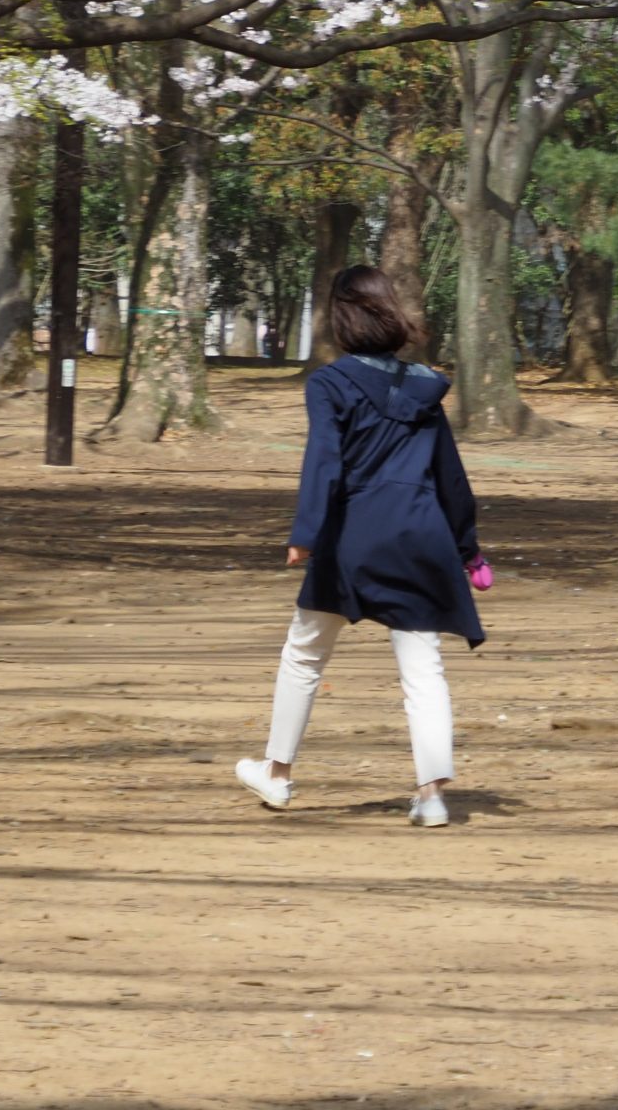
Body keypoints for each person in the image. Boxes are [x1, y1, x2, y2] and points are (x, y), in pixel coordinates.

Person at [236, 266, 485, 828]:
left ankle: (276, 776)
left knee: (304, 653)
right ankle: (432, 796)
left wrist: (305, 534)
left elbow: (325, 460)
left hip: (353, 536)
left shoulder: (330, 384)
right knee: (423, 666)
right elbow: (452, 480)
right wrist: (469, 551)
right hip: (420, 535)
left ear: (342, 317)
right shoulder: (425, 388)